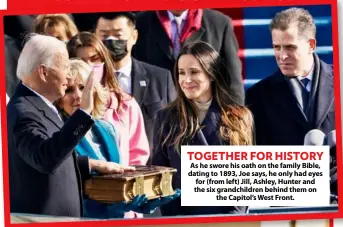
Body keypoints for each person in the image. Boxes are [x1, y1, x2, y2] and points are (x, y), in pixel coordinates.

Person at [7, 33, 134, 217]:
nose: (68, 74)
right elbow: (44, 158)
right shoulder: (23, 111)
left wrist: (93, 165)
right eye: (65, 67)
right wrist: (83, 114)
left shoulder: (39, 106)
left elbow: (53, 158)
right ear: (44, 72)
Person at [55, 59, 180, 219]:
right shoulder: (59, 133)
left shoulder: (107, 129)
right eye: (69, 90)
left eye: (83, 87)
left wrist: (141, 202)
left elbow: (117, 181)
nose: (78, 96)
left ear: (94, 91)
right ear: (59, 100)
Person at [152, 41, 254, 216]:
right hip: (182, 218)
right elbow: (161, 174)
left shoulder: (239, 117)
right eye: (181, 73)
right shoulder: (166, 118)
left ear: (211, 74)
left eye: (194, 72)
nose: (186, 80)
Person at [245, 7, 335, 146]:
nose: (282, 56)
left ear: (311, 45)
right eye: (277, 47)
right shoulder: (258, 96)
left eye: (290, 47)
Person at [94, 12, 176, 160]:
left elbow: (174, 127)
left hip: (152, 167)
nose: (111, 41)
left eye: (118, 35)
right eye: (104, 36)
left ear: (134, 36)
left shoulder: (160, 78)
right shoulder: (88, 79)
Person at [67, 32, 150, 172]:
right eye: (82, 61)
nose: (89, 66)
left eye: (95, 59)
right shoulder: (67, 104)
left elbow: (138, 153)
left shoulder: (125, 103)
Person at [133, 9, 244, 105]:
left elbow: (232, 79)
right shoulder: (140, 23)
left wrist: (236, 119)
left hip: (206, 113)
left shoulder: (219, 23)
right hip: (156, 115)